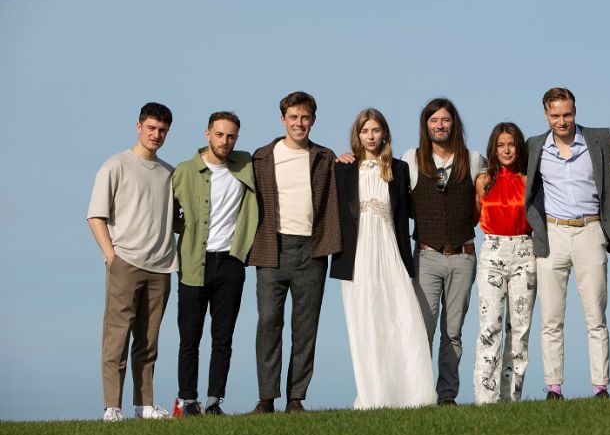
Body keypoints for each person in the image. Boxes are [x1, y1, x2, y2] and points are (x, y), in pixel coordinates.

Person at [330, 108, 437, 409]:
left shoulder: (399, 169)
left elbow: (408, 212)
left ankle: (412, 393)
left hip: (391, 252)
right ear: (358, 135)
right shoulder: (344, 169)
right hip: (358, 256)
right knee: (365, 322)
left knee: (401, 317)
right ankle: (374, 394)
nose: (371, 136)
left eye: (376, 130)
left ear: (384, 133)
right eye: (365, 131)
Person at [525, 87, 610, 400]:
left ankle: (601, 387)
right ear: (546, 114)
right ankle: (554, 387)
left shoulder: (600, 138)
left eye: (567, 114)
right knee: (551, 318)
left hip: (590, 231)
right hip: (552, 235)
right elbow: (507, 165)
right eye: (555, 115)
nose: (562, 121)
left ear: (575, 111)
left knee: (596, 315)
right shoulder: (534, 145)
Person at [248, 91, 341, 413]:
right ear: (283, 119)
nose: (299, 123)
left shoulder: (325, 158)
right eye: (293, 117)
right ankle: (266, 397)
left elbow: (345, 188)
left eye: (305, 118)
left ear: (313, 120)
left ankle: (296, 398)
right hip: (271, 248)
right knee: (269, 321)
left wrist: (348, 162)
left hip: (312, 251)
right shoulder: (261, 157)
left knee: (305, 326)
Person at [87, 103, 178, 421]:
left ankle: (145, 405)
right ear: (139, 127)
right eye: (151, 128)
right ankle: (112, 407)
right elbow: (96, 215)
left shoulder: (169, 173)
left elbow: (177, 219)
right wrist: (111, 256)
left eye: (163, 130)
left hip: (162, 266)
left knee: (149, 339)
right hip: (125, 262)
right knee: (117, 336)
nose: (157, 134)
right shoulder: (116, 165)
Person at [172, 111, 258, 415]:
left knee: (223, 337)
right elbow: (169, 213)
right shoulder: (183, 172)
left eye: (231, 135)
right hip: (194, 262)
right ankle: (188, 400)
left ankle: (213, 401)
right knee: (190, 337)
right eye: (220, 134)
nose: (225, 141)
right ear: (207, 134)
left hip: (231, 263)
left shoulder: (246, 165)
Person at [403, 98, 487, 405]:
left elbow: (486, 201)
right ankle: (420, 394)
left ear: (454, 123)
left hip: (463, 255)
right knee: (423, 328)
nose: (440, 125)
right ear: (426, 126)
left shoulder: (475, 159)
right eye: (434, 121)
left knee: (453, 332)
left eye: (445, 120)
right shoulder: (411, 159)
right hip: (426, 255)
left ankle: (447, 396)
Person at [472, 122, 537, 404]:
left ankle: (511, 399)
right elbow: (477, 216)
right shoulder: (483, 180)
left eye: (511, 144)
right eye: (500, 145)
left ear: (518, 146)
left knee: (520, 329)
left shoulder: (528, 180)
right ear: (493, 149)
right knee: (489, 327)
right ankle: (486, 399)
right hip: (493, 251)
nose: (506, 150)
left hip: (524, 249)